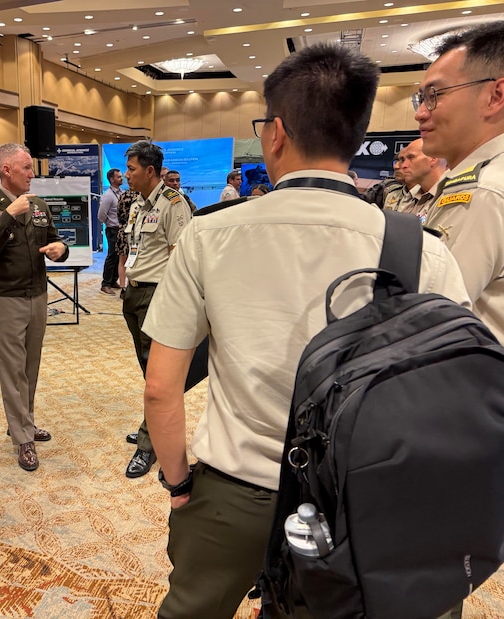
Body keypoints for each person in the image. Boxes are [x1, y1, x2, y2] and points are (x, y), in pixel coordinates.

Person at [142, 42, 470, 619]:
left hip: (235, 487)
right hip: (362, 497)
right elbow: (454, 394)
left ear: (275, 132)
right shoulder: (420, 248)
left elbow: (160, 387)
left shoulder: (209, 235)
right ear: (358, 134)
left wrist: (177, 483)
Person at [0, 143, 68, 471]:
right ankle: (23, 438)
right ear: (6, 170)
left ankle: (23, 422)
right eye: (26, 167)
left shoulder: (38, 204)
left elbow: (54, 239)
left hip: (37, 295)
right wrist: (8, 216)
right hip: (7, 298)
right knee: (12, 371)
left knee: (30, 367)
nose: (32, 173)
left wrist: (60, 249)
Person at [417, 23, 504, 347]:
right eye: (420, 99)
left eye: (434, 96)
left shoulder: (482, 193)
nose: (420, 114)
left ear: (495, 96)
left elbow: (430, 320)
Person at [121, 140, 192, 478]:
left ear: (150, 170)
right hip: (133, 296)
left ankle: (149, 445)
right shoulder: (137, 204)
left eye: (132, 169)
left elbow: (180, 259)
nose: (126, 175)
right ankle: (152, 426)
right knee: (148, 373)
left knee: (158, 377)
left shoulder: (173, 204)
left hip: (156, 297)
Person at [396, 137, 448, 221]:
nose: (403, 165)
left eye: (411, 157)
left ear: (433, 158)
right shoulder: (411, 197)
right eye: (403, 160)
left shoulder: (450, 195)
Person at [98, 167, 123, 295]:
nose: (121, 178)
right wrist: (109, 223)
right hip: (113, 230)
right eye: (118, 177)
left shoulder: (120, 193)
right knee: (112, 257)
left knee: (119, 256)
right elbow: (101, 215)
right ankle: (105, 284)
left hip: (120, 230)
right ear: (112, 179)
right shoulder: (108, 196)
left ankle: (113, 280)